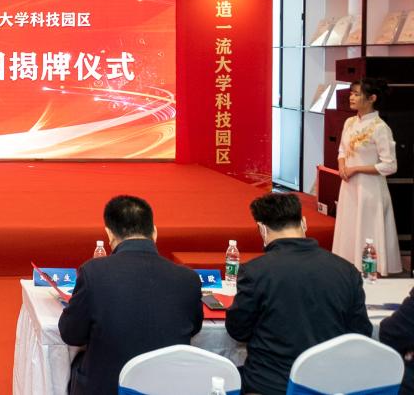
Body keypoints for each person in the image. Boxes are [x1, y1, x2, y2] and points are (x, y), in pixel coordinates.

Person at [226, 192, 372, 395]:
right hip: (330, 384)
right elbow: (361, 333)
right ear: (304, 223)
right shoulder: (346, 270)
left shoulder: (255, 271)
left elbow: (238, 330)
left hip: (270, 385)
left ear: (262, 229)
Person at [57, 195, 202, 395]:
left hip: (108, 387)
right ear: (154, 232)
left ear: (109, 234)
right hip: (168, 387)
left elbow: (71, 334)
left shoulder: (93, 273)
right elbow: (194, 328)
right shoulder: (188, 279)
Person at [332, 77, 402, 276]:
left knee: (368, 227)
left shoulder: (380, 128)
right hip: (349, 186)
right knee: (349, 225)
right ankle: (347, 267)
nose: (351, 98)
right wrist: (342, 165)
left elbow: (390, 165)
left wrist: (357, 169)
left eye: (357, 94)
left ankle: (371, 270)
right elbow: (342, 150)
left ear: (372, 98)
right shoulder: (349, 122)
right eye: (351, 93)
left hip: (370, 188)